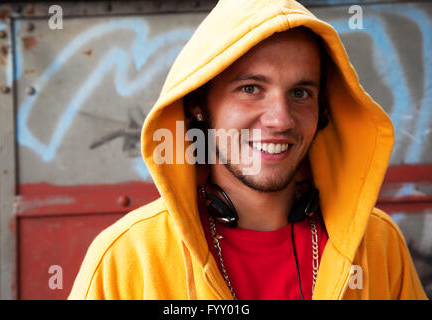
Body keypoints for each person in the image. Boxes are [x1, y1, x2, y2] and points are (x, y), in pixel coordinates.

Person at [69, 0, 427, 299]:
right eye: (251, 88)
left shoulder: (378, 246)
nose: (280, 119)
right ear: (198, 103)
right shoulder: (126, 257)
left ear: (323, 112)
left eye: (301, 93)